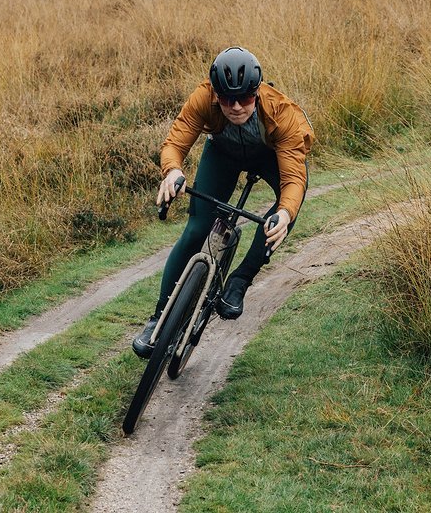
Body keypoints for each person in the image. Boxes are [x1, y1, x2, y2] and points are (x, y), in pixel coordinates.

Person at [132, 46, 313, 358]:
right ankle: (159, 319)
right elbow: (175, 143)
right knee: (196, 229)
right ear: (214, 93)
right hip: (224, 154)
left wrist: (284, 213)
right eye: (227, 98)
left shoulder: (283, 114)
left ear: (257, 92)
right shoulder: (203, 98)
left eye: (244, 97)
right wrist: (173, 171)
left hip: (271, 157)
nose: (236, 106)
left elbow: (293, 181)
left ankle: (239, 281)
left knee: (281, 217)